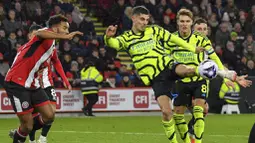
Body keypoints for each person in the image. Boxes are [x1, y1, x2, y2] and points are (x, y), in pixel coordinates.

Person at [104, 6, 207, 143]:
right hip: (156, 78)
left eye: (147, 19)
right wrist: (108, 37)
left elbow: (174, 39)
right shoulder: (126, 38)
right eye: (142, 19)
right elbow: (114, 44)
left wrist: (193, 49)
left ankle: (201, 70)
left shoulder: (154, 30)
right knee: (167, 112)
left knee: (186, 70)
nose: (145, 22)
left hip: (166, 64)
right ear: (133, 18)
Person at [168, 9, 251, 143]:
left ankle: (195, 136)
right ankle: (190, 133)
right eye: (199, 28)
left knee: (201, 109)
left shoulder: (204, 43)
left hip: (199, 81)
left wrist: (229, 76)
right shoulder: (172, 40)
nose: (201, 31)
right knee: (180, 113)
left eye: (204, 29)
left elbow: (216, 63)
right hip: (181, 81)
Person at [4, 14, 83, 143]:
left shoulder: (51, 45)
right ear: (56, 27)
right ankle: (23, 132)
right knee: (28, 125)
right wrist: (64, 36)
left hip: (33, 83)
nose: (67, 31)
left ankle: (20, 132)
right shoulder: (44, 35)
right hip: (17, 83)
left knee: (49, 115)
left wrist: (64, 79)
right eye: (65, 28)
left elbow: (54, 62)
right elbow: (40, 33)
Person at [24, 24, 72, 143]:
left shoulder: (50, 48)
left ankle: (43, 137)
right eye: (34, 34)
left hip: (47, 84)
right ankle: (31, 140)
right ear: (29, 36)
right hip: (31, 86)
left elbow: (56, 62)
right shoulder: (24, 50)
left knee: (51, 112)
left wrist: (65, 80)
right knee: (33, 115)